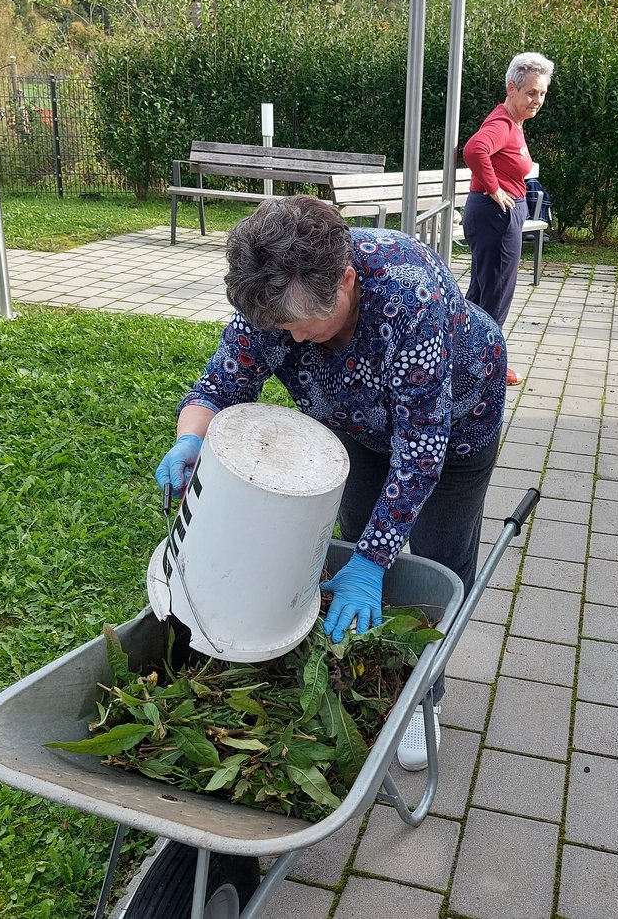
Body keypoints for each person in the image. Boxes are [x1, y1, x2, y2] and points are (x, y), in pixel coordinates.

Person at [155, 196, 507, 772]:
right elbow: (220, 386)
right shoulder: (272, 293)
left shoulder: (408, 294)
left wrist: (375, 561)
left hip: (457, 422)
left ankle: (423, 693)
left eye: (300, 327)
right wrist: (192, 438)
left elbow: (421, 452)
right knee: (358, 536)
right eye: (279, 328)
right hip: (354, 425)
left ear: (346, 281)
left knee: (440, 555)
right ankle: (365, 660)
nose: (289, 341)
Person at [462, 51, 554, 385]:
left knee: (481, 294)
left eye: (542, 93)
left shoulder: (512, 122)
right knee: (496, 298)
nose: (538, 100)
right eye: (531, 92)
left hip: (494, 216)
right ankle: (485, 371)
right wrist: (496, 189)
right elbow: (474, 149)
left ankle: (462, 360)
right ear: (511, 88)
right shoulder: (502, 123)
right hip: (496, 217)